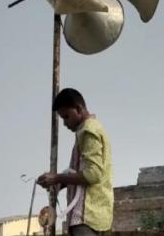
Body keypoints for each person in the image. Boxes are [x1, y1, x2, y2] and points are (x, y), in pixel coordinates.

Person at [37, 88, 113, 236]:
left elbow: (93, 174)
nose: (65, 123)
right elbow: (87, 173)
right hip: (98, 217)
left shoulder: (88, 131)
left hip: (86, 216)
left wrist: (57, 178)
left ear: (78, 109)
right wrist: (60, 183)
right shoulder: (94, 129)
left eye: (66, 116)